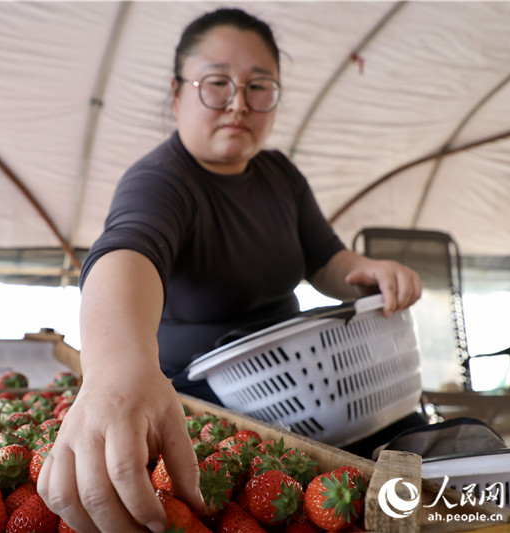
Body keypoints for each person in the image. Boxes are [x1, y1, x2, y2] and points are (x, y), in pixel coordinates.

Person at [38, 8, 422, 532]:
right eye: (216, 83)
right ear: (177, 94)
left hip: (301, 384)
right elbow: (126, 253)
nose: (239, 103)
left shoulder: (280, 176)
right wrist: (117, 372)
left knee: (412, 447)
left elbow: (327, 259)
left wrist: (367, 269)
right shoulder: (160, 181)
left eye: (259, 86)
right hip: (209, 404)